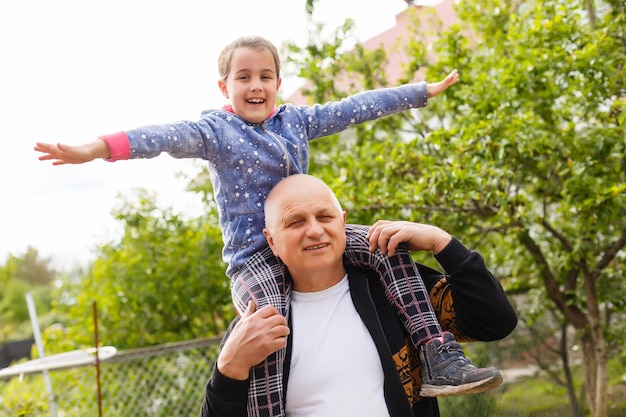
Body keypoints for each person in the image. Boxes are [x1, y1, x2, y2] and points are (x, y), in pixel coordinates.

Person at [34, 36, 492, 416]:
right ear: (224, 86)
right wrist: (95, 149)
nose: (256, 86)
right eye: (244, 77)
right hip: (255, 258)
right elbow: (160, 137)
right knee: (270, 321)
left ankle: (438, 356)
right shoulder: (215, 132)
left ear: (278, 83)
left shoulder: (297, 121)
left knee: (384, 246)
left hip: (311, 235)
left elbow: (358, 106)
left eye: (265, 77)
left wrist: (420, 92)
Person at [201, 174, 518, 417]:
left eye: (324, 216)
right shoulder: (256, 324)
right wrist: (228, 369)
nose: (314, 230)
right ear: (271, 241)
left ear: (342, 221)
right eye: (295, 222)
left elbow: (494, 322)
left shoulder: (394, 289)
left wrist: (442, 243)